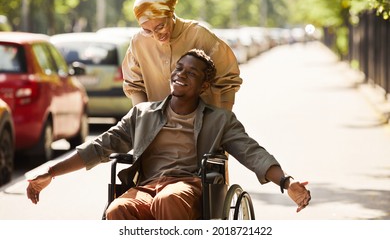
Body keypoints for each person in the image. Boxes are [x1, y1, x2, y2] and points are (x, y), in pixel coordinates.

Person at [26, 49, 311, 220]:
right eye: (179, 68)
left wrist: (286, 182)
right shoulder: (143, 114)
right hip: (147, 186)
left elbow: (252, 153)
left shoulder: (219, 119)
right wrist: (50, 172)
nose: (182, 74)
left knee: (169, 200)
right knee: (117, 210)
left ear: (203, 85)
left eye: (192, 73)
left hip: (190, 185)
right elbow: (100, 146)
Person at [122, 0, 242, 111]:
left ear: (171, 14)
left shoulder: (199, 35)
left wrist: (224, 118)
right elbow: (134, 85)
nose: (156, 36)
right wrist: (143, 118)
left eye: (160, 27)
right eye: (147, 30)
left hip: (201, 124)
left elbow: (227, 79)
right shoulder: (138, 42)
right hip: (157, 126)